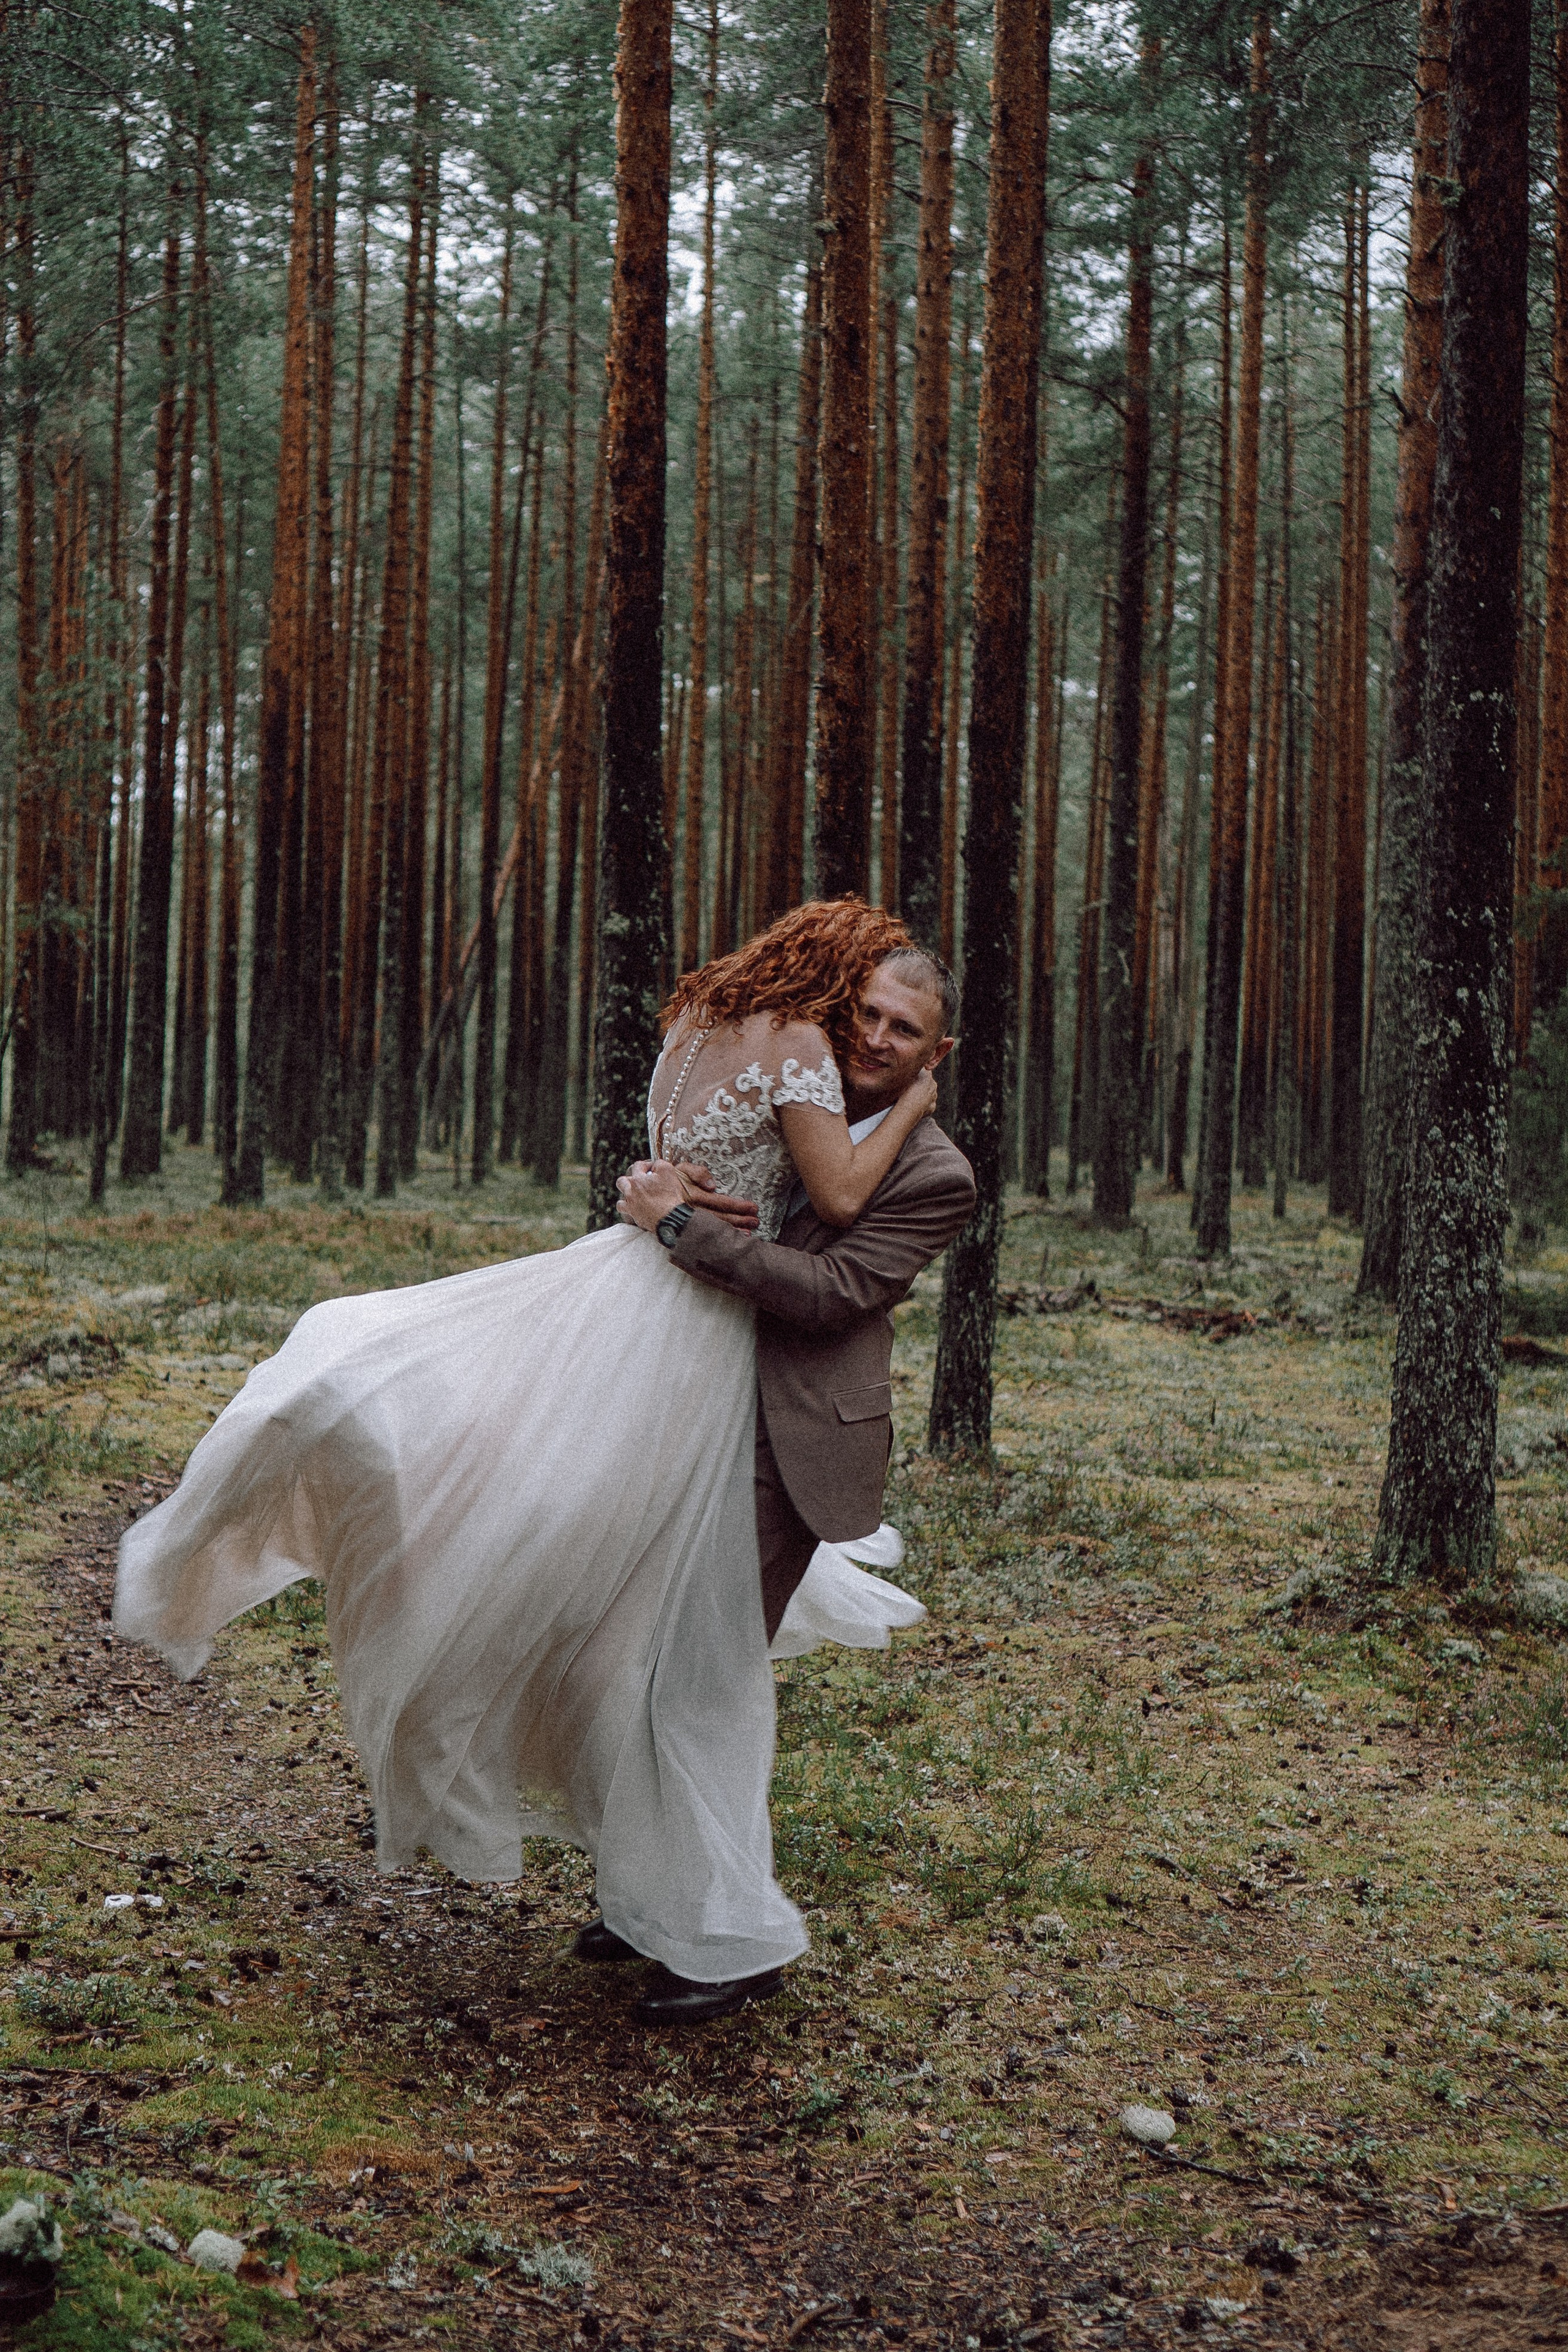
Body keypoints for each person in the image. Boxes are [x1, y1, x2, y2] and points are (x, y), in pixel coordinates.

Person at [112, 898, 956, 2027]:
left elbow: (834, 1274)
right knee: (612, 1626)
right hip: (675, 1352)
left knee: (675, 1650)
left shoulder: (714, 1022)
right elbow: (821, 1188)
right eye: (868, 1012)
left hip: (700, 1354)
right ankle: (675, 1905)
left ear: (934, 1046)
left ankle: (712, 1922)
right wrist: (886, 1117)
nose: (876, 1041)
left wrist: (684, 1207)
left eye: (904, 1034)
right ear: (833, 984)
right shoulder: (799, 1052)